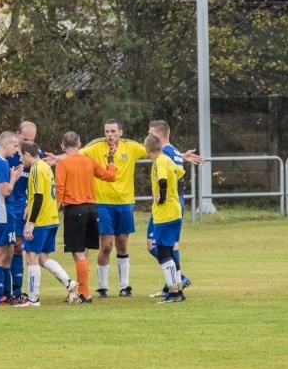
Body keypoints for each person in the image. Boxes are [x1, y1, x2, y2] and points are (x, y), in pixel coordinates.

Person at [79, 119, 148, 298]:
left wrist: (179, 155)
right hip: (102, 204)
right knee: (107, 245)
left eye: (113, 131)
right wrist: (58, 159)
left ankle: (124, 286)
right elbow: (76, 155)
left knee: (123, 244)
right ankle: (102, 286)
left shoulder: (131, 147)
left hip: (124, 203)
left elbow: (155, 151)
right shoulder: (96, 146)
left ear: (120, 132)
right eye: (107, 131)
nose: (109, 135)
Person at [0, 121, 46, 300]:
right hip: (2, 207)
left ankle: (14, 290)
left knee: (15, 247)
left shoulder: (33, 153)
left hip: (19, 207)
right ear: (17, 135)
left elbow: (39, 179)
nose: (23, 146)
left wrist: (29, 204)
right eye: (23, 140)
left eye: (31, 140)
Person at [54, 131, 118, 303]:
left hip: (74, 210)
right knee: (85, 253)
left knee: (78, 254)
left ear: (63, 146)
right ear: (80, 144)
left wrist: (55, 212)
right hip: (91, 209)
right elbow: (110, 176)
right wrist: (111, 159)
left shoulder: (63, 164)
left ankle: (85, 293)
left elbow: (59, 190)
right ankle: (83, 290)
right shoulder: (89, 161)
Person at [15, 141, 79, 306]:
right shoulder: (46, 167)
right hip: (52, 218)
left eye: (21, 155)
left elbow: (38, 197)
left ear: (27, 154)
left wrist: (31, 223)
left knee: (31, 257)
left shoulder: (36, 169)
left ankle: (33, 299)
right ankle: (68, 282)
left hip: (41, 221)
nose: (21, 159)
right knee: (43, 257)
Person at [146, 120, 203, 298]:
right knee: (170, 246)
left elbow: (166, 179)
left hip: (166, 209)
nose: (148, 137)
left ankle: (176, 282)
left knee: (157, 246)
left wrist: (164, 198)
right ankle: (174, 282)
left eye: (151, 134)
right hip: (176, 206)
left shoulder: (166, 154)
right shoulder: (174, 151)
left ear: (159, 136)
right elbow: (180, 177)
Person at [144, 133, 186, 303]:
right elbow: (181, 174)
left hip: (165, 213)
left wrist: (162, 198)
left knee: (163, 252)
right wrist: (174, 195)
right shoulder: (168, 160)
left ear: (147, 150)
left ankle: (173, 293)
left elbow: (162, 181)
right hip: (175, 210)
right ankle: (179, 291)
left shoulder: (159, 162)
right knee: (170, 250)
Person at [0, 131, 23, 306]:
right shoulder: (0, 162)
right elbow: (5, 190)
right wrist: (14, 178)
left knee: (7, 251)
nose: (17, 150)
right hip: (2, 214)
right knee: (1, 253)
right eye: (15, 146)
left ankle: (6, 293)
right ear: (6, 144)